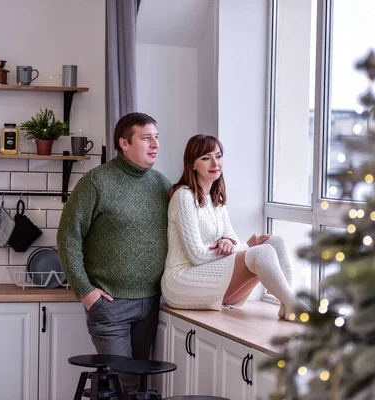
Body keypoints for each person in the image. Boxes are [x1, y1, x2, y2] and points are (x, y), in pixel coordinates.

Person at [57, 112, 171, 390]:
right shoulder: (96, 182)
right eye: (146, 138)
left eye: (156, 137)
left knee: (135, 386)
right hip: (109, 305)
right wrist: (85, 290)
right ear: (124, 143)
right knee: (123, 385)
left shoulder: (162, 184)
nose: (155, 144)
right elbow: (67, 236)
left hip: (153, 302)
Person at [161, 134, 300, 319]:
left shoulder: (216, 198)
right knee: (262, 252)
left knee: (275, 242)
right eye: (205, 158)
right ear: (192, 164)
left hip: (208, 278)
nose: (214, 163)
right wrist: (245, 246)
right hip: (180, 281)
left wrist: (227, 241)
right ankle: (295, 306)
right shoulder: (184, 196)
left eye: (218, 156)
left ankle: (287, 304)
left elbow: (231, 237)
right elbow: (196, 255)